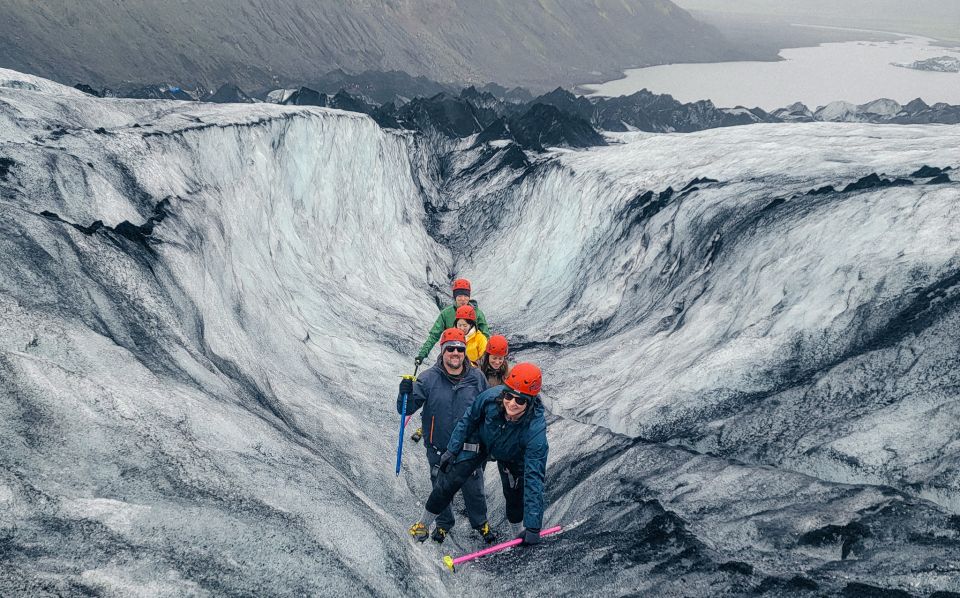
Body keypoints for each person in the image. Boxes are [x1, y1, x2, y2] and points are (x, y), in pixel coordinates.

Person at [408, 363, 548, 548]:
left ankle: (519, 536)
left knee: (514, 497)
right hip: (482, 440)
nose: (512, 403)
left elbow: (534, 478)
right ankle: (423, 525)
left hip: (513, 455)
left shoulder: (535, 430)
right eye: (509, 396)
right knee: (450, 480)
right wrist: (452, 449)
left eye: (520, 400)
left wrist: (533, 527)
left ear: (530, 402)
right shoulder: (491, 397)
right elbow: (469, 419)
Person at [398, 328, 496, 544]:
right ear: (442, 351)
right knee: (440, 489)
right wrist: (404, 393)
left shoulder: (477, 378)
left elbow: (489, 409)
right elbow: (406, 410)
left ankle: (480, 523)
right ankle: (443, 524)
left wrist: (490, 442)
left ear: (465, 352)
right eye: (450, 348)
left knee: (475, 491)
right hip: (439, 449)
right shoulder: (428, 378)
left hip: (470, 449)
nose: (455, 352)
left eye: (459, 348)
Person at [415, 279, 490, 367]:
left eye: (466, 296)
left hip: (473, 360)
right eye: (459, 296)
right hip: (452, 355)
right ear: (455, 297)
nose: (463, 299)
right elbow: (434, 336)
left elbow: (486, 338)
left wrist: (480, 365)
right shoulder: (446, 314)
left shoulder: (478, 313)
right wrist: (422, 355)